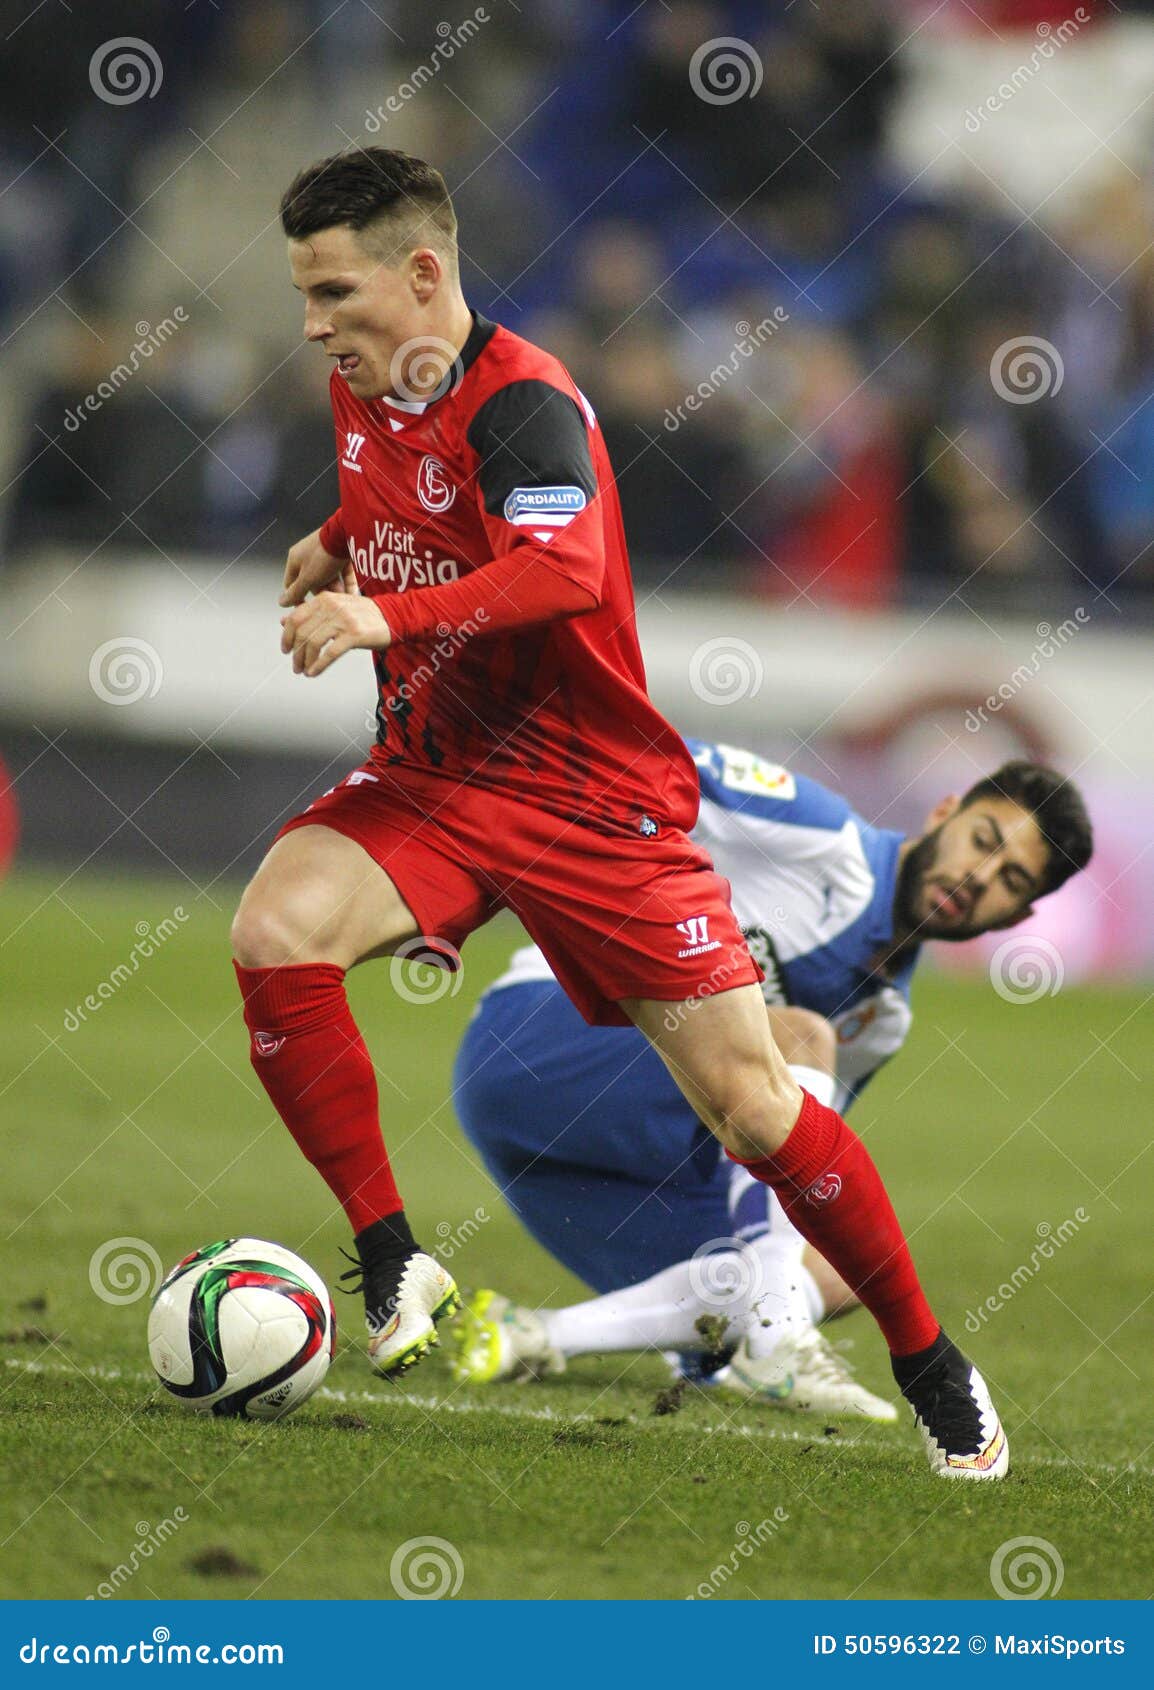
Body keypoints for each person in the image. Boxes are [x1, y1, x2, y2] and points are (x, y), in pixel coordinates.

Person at [231, 146, 1039, 1479]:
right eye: (305, 295)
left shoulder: (530, 406)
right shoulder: (364, 389)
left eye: (333, 291)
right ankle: (391, 1260)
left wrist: (385, 610)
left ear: (422, 275)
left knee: (752, 1108)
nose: (314, 323)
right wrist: (341, 535)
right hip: (434, 773)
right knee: (275, 933)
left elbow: (560, 568)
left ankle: (924, 1356)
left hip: (585, 802)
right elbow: (414, 490)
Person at [451, 744, 1093, 1423]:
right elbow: (651, 757)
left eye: (1012, 879)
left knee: (840, 1272)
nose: (979, 875)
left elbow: (796, 1172)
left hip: (595, 1162)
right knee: (796, 1040)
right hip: (540, 1043)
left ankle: (537, 1334)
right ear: (943, 813)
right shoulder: (820, 835)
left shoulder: (883, 1021)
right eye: (982, 840)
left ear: (1017, 920)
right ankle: (777, 1334)